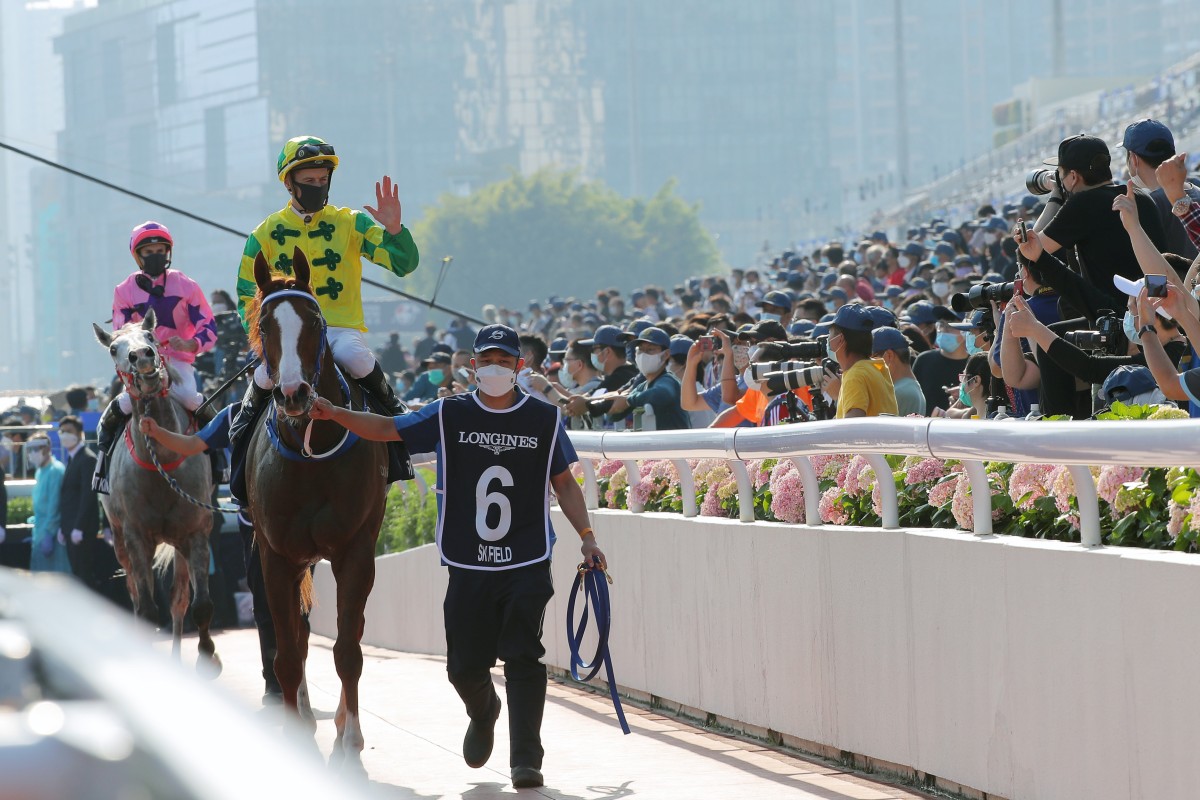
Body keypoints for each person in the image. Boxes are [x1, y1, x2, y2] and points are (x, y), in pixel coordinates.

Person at [308, 323, 607, 790]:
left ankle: (525, 759)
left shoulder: (544, 419)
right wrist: (334, 414)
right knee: (463, 667)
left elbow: (564, 483)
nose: (495, 368)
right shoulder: (448, 413)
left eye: (505, 362)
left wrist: (587, 536)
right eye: (487, 360)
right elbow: (388, 428)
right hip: (468, 562)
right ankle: (484, 708)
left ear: (519, 368)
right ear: (473, 366)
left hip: (526, 559)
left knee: (524, 655)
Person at [231, 135, 420, 445]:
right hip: (286, 336)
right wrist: (266, 340)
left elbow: (403, 264)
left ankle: (395, 413)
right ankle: (243, 427)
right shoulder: (263, 234)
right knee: (265, 376)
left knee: (353, 355)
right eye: (309, 180)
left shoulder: (352, 223)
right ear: (289, 183)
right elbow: (245, 297)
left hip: (341, 329)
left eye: (322, 179)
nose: (317, 185)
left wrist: (395, 230)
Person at [139, 406, 284, 703]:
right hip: (253, 524)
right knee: (264, 604)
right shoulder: (235, 414)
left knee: (298, 610)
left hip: (293, 525)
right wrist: (156, 432)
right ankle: (273, 682)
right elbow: (193, 444)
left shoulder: (299, 410)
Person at [93, 221, 218, 493]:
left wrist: (189, 343)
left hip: (179, 362)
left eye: (161, 250)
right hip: (141, 368)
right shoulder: (123, 291)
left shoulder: (186, 285)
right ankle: (102, 470)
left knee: (192, 401)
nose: (155, 256)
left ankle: (223, 466)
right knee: (117, 410)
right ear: (138, 256)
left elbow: (209, 327)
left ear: (169, 252)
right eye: (148, 252)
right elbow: (120, 334)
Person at [595, 327, 690, 430]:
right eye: (640, 349)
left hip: (676, 444)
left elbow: (661, 393)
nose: (643, 354)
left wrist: (627, 401)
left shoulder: (668, 380)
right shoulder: (642, 386)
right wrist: (613, 407)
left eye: (650, 350)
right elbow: (615, 417)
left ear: (665, 354)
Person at [824, 304, 897, 418]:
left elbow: (852, 428)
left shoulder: (855, 375)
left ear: (840, 339)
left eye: (830, 333)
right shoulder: (877, 367)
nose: (828, 339)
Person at [57, 415, 102, 592]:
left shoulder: (87, 459)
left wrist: (79, 527)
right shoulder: (72, 459)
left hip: (81, 530)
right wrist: (63, 526)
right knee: (76, 572)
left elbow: (88, 496)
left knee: (84, 574)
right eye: (62, 432)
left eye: (69, 432)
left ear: (79, 433)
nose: (65, 435)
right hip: (70, 528)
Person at [25, 434, 70, 574]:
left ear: (47, 448)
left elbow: (54, 507)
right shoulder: (40, 472)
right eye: (30, 449)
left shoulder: (55, 470)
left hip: (52, 535)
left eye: (36, 449)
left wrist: (48, 533)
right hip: (40, 532)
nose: (32, 453)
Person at [871, 327, 925, 415]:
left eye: (871, 358)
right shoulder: (906, 387)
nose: (868, 364)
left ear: (889, 356)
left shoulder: (898, 392)